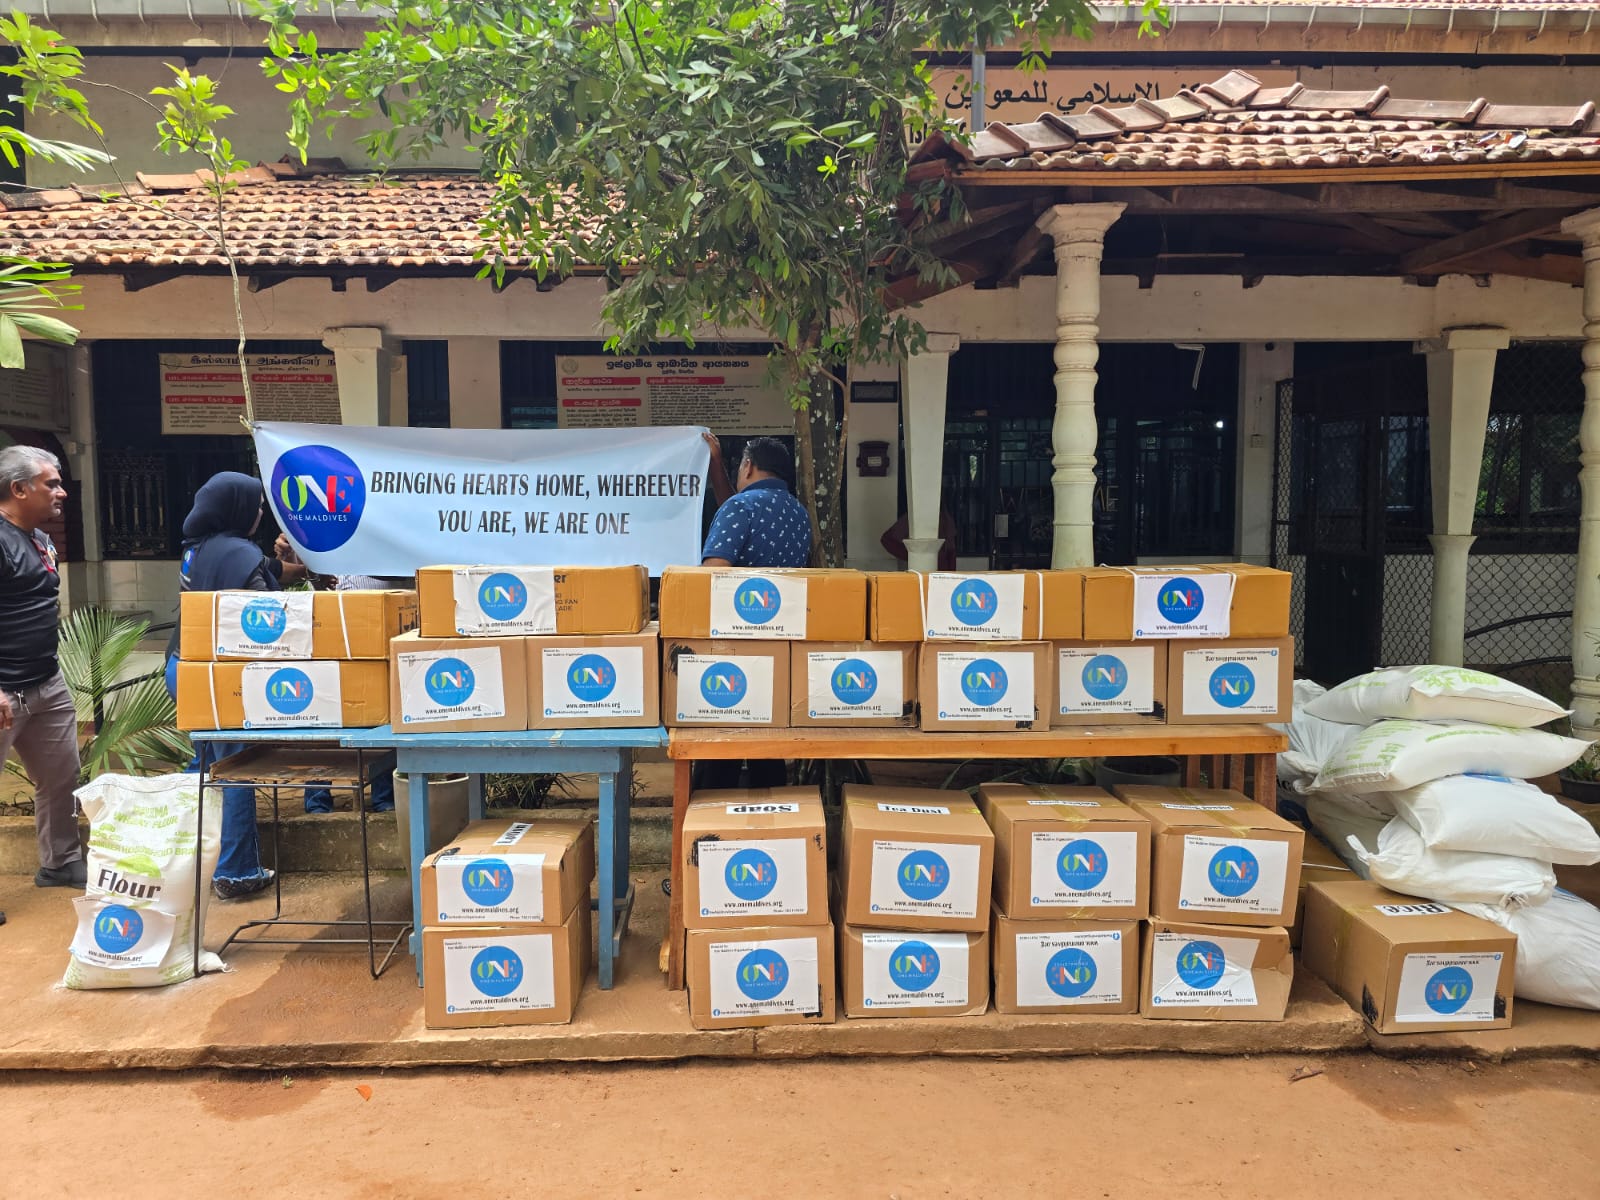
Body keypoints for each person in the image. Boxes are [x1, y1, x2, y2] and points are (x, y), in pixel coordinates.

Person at [161, 471, 304, 900]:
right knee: (235, 766)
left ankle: (171, 855)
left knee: (204, 762)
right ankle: (236, 872)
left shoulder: (199, 547)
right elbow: (268, 611)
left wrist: (296, 566)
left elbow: (271, 570)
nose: (260, 513)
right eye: (257, 505)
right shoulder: (239, 552)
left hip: (182, 666)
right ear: (238, 508)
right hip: (217, 675)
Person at [0, 445, 85, 927]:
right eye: (51, 483)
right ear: (18, 489)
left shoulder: (38, 539)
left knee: (60, 777)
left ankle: (59, 863)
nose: (62, 492)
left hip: (46, 683)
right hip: (2, 691)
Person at [697, 434, 811, 791]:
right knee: (768, 750)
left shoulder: (741, 510)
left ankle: (711, 819)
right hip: (781, 650)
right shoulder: (798, 513)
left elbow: (712, 577)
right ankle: (771, 818)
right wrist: (717, 465)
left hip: (734, 650)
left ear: (747, 466)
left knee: (720, 751)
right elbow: (739, 512)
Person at [701, 434, 812, 569]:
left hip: (745, 585)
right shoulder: (801, 513)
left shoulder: (741, 506)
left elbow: (714, 570)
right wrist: (716, 463)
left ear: (748, 466)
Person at [880, 509, 958, 572]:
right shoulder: (911, 518)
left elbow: (951, 551)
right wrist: (911, 555)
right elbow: (886, 540)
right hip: (916, 569)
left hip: (940, 572)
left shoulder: (945, 518)